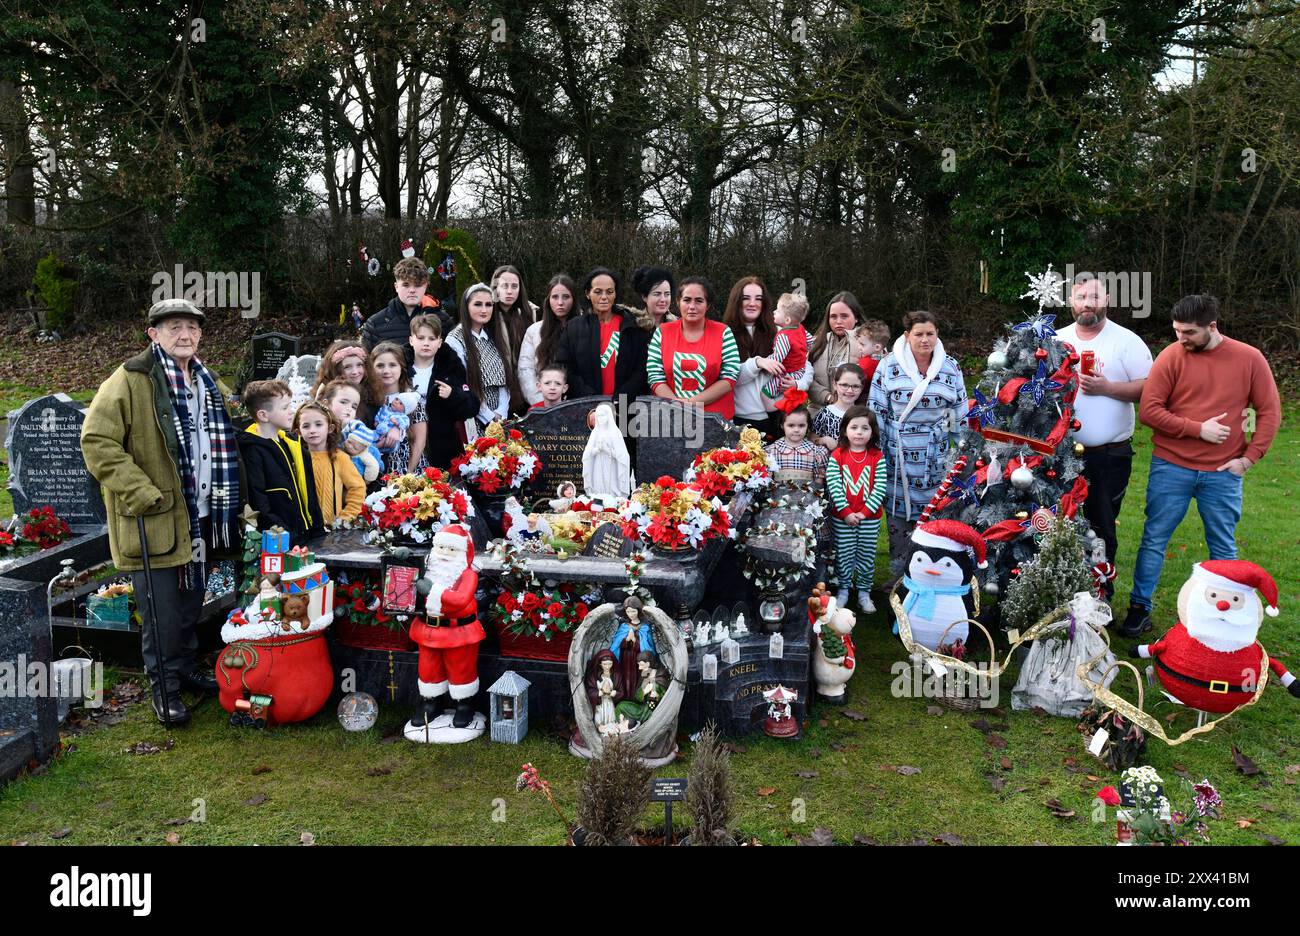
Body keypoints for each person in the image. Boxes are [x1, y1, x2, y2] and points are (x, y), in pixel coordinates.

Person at [82, 298, 245, 725]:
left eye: (192, 328)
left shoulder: (205, 380)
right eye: (174, 327)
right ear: (153, 334)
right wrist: (141, 492)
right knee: (162, 610)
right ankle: (164, 689)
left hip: (202, 513)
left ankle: (185, 669)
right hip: (156, 515)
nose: (185, 335)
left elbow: (231, 429)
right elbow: (97, 441)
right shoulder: (131, 379)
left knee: (192, 603)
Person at [1123, 294, 1281, 636]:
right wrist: (1198, 429)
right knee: (1154, 539)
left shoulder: (1249, 359)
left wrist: (1250, 458)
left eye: (1189, 332)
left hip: (1223, 473)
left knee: (1223, 547)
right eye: (1177, 330)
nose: (1181, 338)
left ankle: (1223, 617)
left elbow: (1269, 412)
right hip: (1171, 467)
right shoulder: (1171, 356)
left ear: (1212, 326)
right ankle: (1139, 608)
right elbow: (1150, 411)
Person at [1055, 275, 1153, 602]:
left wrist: (1107, 388)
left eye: (1094, 297)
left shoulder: (1126, 342)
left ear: (1107, 299)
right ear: (1071, 301)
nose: (1087, 304)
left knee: (1100, 526)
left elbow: (1150, 389)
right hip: (1059, 454)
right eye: (1081, 297)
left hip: (1108, 455)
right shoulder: (1056, 340)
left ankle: (1099, 594)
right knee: (1054, 524)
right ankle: (1058, 589)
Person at [867, 310, 967, 579]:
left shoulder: (950, 367)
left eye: (930, 334)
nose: (925, 340)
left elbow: (957, 412)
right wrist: (879, 449)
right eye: (919, 334)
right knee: (898, 515)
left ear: (937, 335)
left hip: (936, 453)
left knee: (936, 514)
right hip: (897, 451)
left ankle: (930, 574)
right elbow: (877, 410)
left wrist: (960, 453)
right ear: (906, 335)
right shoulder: (888, 365)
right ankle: (898, 576)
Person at [237, 379, 325, 545]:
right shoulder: (252, 450)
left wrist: (317, 529)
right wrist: (286, 536)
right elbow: (259, 502)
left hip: (307, 535)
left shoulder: (292, 444)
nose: (292, 412)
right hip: (282, 540)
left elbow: (309, 491)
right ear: (263, 415)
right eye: (285, 407)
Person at [724, 276, 811, 436]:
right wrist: (757, 363)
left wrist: (798, 384)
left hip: (779, 418)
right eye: (746, 298)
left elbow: (806, 365)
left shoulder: (782, 331)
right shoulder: (725, 334)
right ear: (736, 301)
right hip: (741, 420)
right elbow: (728, 379)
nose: (752, 303)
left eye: (758, 298)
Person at [647, 276, 741, 418]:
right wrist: (676, 405)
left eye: (699, 301)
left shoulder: (723, 332)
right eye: (686, 300)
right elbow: (654, 376)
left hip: (715, 419)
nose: (692, 306)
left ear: (707, 305)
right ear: (678, 302)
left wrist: (691, 403)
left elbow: (730, 376)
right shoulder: (663, 332)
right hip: (671, 416)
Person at [554, 267, 650, 400]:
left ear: (615, 293)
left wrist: (619, 400)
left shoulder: (632, 326)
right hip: (585, 405)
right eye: (598, 292)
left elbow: (641, 370)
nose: (604, 297)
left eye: (609, 291)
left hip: (624, 407)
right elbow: (565, 367)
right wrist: (591, 398)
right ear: (588, 293)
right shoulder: (574, 328)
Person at [826, 406, 888, 612]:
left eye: (865, 428)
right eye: (854, 427)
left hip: (869, 518)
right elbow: (834, 485)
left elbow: (880, 487)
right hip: (842, 517)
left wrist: (863, 513)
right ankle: (843, 589)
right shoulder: (838, 455)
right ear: (845, 430)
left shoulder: (876, 457)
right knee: (843, 554)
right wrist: (846, 512)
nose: (859, 432)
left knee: (866, 554)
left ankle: (863, 592)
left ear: (872, 432)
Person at [407, 314, 479, 471]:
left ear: (440, 342)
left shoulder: (450, 367)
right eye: (421, 338)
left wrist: (453, 395)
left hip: (441, 448)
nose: (426, 343)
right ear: (411, 340)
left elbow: (472, 406)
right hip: (406, 445)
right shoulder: (400, 368)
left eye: (432, 339)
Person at [447, 283, 518, 433]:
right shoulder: (455, 340)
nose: (484, 310)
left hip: (499, 420)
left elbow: (503, 383)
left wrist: (501, 413)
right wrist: (489, 416)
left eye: (489, 305)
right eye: (478, 304)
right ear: (466, 306)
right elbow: (463, 384)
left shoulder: (492, 337)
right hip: (472, 417)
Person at [362, 257, 454, 363]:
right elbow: (367, 365)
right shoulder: (375, 324)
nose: (412, 290)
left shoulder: (443, 321)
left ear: (425, 286)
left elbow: (452, 362)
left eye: (418, 285)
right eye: (406, 285)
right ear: (396, 287)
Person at [294, 400, 365, 524]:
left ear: (330, 428)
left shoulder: (339, 458)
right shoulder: (296, 458)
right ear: (298, 431)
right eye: (306, 426)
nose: (312, 430)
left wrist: (347, 517)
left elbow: (357, 488)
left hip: (331, 529)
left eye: (318, 424)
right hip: (302, 527)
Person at [518, 274, 577, 405]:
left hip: (578, 405)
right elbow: (525, 371)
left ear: (574, 299)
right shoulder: (534, 331)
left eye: (566, 297)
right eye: (555, 297)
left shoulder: (585, 328)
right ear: (548, 300)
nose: (560, 302)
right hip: (544, 406)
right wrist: (542, 403)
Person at [370, 342, 428, 475]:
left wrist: (408, 474)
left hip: (408, 468)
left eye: (392, 365)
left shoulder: (411, 399)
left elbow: (419, 442)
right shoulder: (369, 400)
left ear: (401, 367)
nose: (386, 371)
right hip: (376, 470)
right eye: (380, 366)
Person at [809, 291, 865, 410]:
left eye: (844, 316)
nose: (838, 321)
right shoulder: (816, 343)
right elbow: (806, 376)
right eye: (833, 316)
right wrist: (828, 397)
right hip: (819, 411)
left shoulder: (872, 345)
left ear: (856, 318)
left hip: (854, 416)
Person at [319, 380, 382, 485]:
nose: (349, 409)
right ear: (326, 404)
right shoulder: (319, 428)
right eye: (343, 402)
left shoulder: (354, 430)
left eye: (354, 406)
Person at [311, 340, 382, 426]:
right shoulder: (327, 398)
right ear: (336, 371)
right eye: (347, 367)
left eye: (359, 365)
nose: (355, 372)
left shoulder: (372, 396)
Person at [762, 292, 811, 408]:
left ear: (787, 320)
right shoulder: (800, 328)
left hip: (787, 374)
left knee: (765, 393)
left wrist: (764, 361)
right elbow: (810, 342)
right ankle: (793, 401)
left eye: (778, 311)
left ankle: (777, 409)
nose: (774, 312)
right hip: (800, 371)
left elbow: (777, 358)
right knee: (789, 394)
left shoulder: (784, 336)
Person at [491, 264, 537, 378]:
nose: (510, 291)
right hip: (497, 380)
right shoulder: (487, 315)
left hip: (526, 379)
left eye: (514, 286)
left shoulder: (531, 313)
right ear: (496, 288)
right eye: (504, 286)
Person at [765, 405, 828, 485]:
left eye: (801, 425)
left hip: (808, 496)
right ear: (782, 426)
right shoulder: (771, 451)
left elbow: (818, 482)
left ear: (807, 426)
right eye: (791, 425)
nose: (796, 430)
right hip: (777, 496)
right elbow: (768, 482)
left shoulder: (816, 452)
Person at [812, 363, 866, 451]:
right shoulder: (825, 413)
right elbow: (812, 439)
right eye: (844, 385)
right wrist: (823, 440)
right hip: (829, 463)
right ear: (835, 385)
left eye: (855, 386)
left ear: (862, 388)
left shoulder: (863, 415)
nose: (849, 390)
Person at [631, 265, 676, 330]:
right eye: (657, 294)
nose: (663, 299)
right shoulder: (632, 326)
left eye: (667, 294)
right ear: (644, 297)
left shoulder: (679, 325)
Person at [855, 318, 891, 385]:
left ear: (877, 347)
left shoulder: (867, 365)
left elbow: (854, 380)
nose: (859, 347)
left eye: (862, 344)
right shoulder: (888, 360)